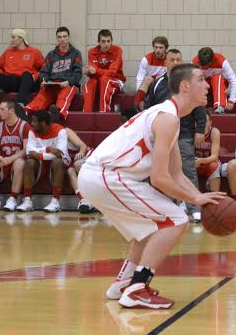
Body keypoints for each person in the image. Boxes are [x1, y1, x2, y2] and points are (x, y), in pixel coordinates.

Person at [77, 63, 225, 309]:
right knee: (176, 219)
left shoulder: (170, 117)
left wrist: (200, 195)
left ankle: (124, 284)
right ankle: (137, 288)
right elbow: (159, 179)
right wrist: (195, 201)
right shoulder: (166, 118)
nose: (208, 85)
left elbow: (176, 174)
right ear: (185, 86)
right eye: (201, 80)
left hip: (102, 177)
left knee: (148, 229)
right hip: (106, 175)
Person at [143, 48, 208, 222]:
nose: (175, 63)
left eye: (179, 60)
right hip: (160, 134)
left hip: (184, 133)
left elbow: (199, 106)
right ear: (165, 62)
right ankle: (169, 207)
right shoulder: (157, 83)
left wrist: (200, 129)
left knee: (186, 171)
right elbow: (149, 107)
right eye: (172, 60)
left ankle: (194, 209)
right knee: (161, 172)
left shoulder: (188, 84)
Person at [0, 29, 45, 111]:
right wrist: (4, 74)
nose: (11, 40)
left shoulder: (34, 52)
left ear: (21, 38)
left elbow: (44, 68)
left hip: (26, 82)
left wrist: (34, 76)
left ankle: (20, 104)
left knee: (26, 75)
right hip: (10, 80)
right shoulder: (8, 52)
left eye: (13, 37)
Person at [24, 27, 83, 122]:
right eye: (60, 37)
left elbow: (78, 73)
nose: (62, 39)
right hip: (51, 84)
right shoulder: (51, 55)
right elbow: (44, 72)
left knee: (63, 97)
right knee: (41, 98)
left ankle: (57, 116)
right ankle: (26, 112)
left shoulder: (76, 53)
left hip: (67, 84)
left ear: (69, 37)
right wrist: (43, 81)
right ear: (57, 38)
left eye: (64, 36)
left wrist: (68, 82)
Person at [18, 111, 69, 213]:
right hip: (41, 162)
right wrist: (48, 149)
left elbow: (60, 154)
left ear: (43, 123)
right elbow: (29, 151)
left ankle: (55, 202)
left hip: (59, 164)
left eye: (34, 121)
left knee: (57, 161)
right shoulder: (32, 131)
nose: (31, 124)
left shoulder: (60, 130)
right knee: (29, 162)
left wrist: (39, 153)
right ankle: (27, 200)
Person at [0, 100, 30, 211]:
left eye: (2, 109)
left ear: (11, 111)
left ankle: (13, 199)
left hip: (17, 162)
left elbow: (26, 150)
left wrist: (11, 159)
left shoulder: (25, 126)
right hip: (3, 162)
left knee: (19, 163)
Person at [83, 29, 126, 112]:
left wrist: (96, 71)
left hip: (117, 80)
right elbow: (93, 73)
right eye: (103, 41)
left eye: (108, 41)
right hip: (99, 81)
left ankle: (104, 113)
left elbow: (112, 73)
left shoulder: (117, 50)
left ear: (111, 41)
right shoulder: (92, 52)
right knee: (91, 83)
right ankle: (86, 114)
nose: (106, 44)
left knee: (105, 79)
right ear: (98, 42)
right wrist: (88, 72)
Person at [192, 47, 236, 113]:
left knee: (217, 76)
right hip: (205, 87)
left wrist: (231, 101)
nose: (204, 67)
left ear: (211, 61)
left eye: (206, 65)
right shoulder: (194, 62)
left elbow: (234, 81)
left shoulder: (221, 61)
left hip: (219, 85)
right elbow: (190, 81)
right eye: (202, 65)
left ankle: (220, 106)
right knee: (195, 78)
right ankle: (198, 106)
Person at [64, 127, 96, 214]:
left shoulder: (65, 131)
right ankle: (83, 200)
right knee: (70, 171)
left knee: (77, 165)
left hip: (88, 155)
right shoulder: (47, 138)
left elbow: (83, 145)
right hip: (73, 162)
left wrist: (81, 152)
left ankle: (97, 198)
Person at [134, 36, 168, 110]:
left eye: (161, 48)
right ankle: (137, 106)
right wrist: (139, 95)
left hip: (165, 84)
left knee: (160, 78)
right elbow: (140, 78)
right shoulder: (146, 59)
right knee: (148, 79)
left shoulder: (169, 59)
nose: (158, 50)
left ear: (166, 49)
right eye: (156, 47)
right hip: (150, 84)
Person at [195, 111, 222, 192]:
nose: (202, 124)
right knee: (186, 165)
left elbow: (214, 156)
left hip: (209, 162)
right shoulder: (191, 132)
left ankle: (215, 197)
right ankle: (189, 199)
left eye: (204, 121)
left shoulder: (214, 132)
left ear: (210, 122)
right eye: (199, 121)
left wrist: (201, 161)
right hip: (195, 162)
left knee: (214, 166)